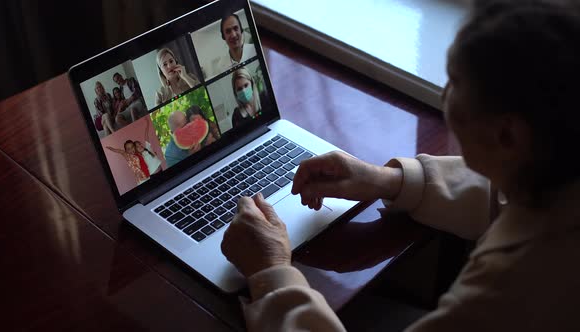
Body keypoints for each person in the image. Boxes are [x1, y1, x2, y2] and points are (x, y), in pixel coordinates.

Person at [220, 1, 580, 331]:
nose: (443, 96)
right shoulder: (552, 166)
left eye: (453, 82)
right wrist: (388, 180)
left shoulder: (517, 284)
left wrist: (272, 274)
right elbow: (506, 198)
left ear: (507, 135)